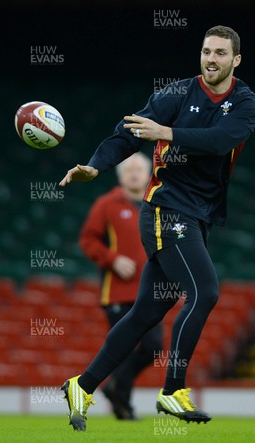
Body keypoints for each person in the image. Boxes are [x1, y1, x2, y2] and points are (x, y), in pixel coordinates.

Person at [59, 25, 255, 431]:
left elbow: (220, 141)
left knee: (145, 314)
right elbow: (129, 131)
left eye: (220, 53)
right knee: (205, 293)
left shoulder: (246, 102)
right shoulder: (176, 93)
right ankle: (173, 390)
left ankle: (82, 385)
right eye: (206, 51)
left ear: (236, 60)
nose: (211, 59)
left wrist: (165, 133)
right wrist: (95, 166)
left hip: (197, 216)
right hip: (165, 210)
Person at [79, 152, 160, 420]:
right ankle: (122, 406)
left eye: (139, 169)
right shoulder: (107, 204)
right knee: (122, 349)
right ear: (120, 175)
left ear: (149, 173)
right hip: (117, 291)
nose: (134, 174)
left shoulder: (159, 203)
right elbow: (88, 241)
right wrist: (113, 260)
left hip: (150, 292)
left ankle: (115, 388)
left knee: (153, 347)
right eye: (129, 170)